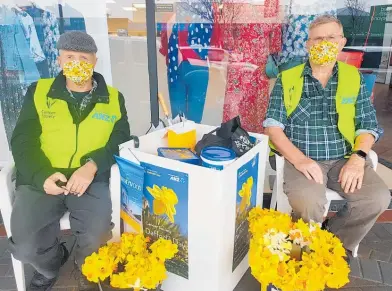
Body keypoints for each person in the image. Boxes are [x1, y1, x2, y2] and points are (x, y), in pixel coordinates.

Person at [9, 31, 130, 291]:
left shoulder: (113, 98)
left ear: (94, 61)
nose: (77, 63)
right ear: (60, 60)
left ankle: (85, 268)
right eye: (70, 56)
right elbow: (22, 140)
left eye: (83, 57)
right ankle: (51, 265)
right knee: (25, 246)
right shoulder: (39, 91)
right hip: (41, 178)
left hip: (89, 178)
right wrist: (42, 175)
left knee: (97, 236)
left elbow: (120, 140)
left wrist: (92, 165)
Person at [264, 15, 390, 256]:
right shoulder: (288, 79)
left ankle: (335, 243)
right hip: (302, 159)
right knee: (309, 202)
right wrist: (300, 160)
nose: (324, 44)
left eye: (330, 38)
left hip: (344, 157)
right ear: (308, 45)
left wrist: (358, 158)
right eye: (318, 39)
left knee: (377, 198)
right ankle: (304, 252)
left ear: (341, 42)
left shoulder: (354, 78)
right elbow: (274, 128)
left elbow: (368, 125)